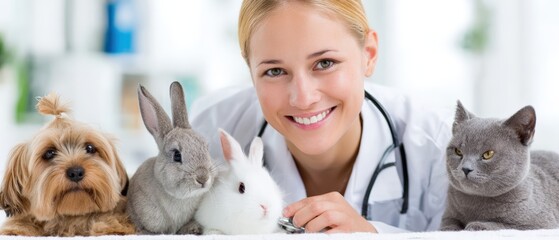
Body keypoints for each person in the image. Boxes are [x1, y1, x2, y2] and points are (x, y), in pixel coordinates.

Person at [190, 0, 451, 233]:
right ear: (250, 71)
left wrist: (373, 235)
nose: (303, 98)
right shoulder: (209, 133)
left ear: (368, 55)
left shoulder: (437, 145)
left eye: (325, 63)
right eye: (275, 71)